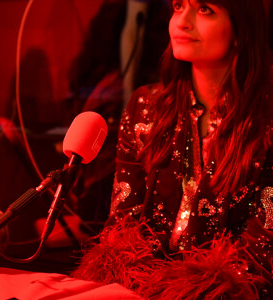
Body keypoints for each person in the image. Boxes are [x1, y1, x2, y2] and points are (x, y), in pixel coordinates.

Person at [72, 0, 272, 298]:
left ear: (241, 29)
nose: (182, 21)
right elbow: (122, 225)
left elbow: (262, 247)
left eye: (204, 9)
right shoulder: (146, 107)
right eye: (178, 6)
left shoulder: (265, 120)